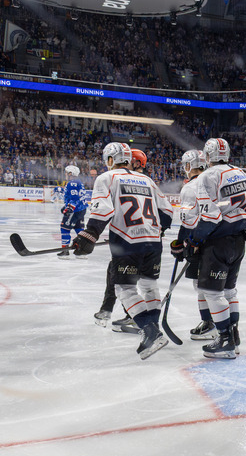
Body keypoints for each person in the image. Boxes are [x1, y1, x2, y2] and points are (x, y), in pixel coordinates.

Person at [174, 138, 246, 359]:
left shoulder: (207, 176)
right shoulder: (240, 173)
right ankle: (233, 336)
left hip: (218, 242)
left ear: (207, 156)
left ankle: (225, 340)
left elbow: (210, 217)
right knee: (229, 291)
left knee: (212, 292)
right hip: (238, 241)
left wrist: (194, 242)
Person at [72, 143, 173, 359]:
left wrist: (89, 235)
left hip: (128, 242)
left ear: (111, 159)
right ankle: (152, 326)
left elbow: (102, 210)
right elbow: (167, 211)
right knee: (149, 285)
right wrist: (157, 229)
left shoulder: (107, 178)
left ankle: (151, 332)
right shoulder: (147, 180)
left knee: (125, 289)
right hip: (154, 242)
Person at [94, 150, 150, 330]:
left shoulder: (127, 180)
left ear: (136, 163)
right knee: (121, 275)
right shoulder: (145, 181)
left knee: (123, 280)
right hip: (144, 239)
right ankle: (112, 310)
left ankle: (132, 316)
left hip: (131, 241)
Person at [173, 149, 218, 341]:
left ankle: (210, 323)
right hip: (220, 240)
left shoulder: (190, 187)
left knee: (202, 285)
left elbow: (188, 221)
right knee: (219, 287)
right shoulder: (215, 182)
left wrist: (180, 243)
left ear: (189, 165)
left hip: (199, 242)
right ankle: (222, 325)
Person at [57, 165, 89, 258]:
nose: (66, 174)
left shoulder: (72, 183)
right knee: (79, 229)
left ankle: (65, 251)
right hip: (81, 209)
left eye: (67, 173)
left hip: (75, 210)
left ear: (71, 173)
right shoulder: (78, 182)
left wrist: (69, 208)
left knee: (64, 228)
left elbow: (74, 198)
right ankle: (82, 251)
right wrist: (66, 206)